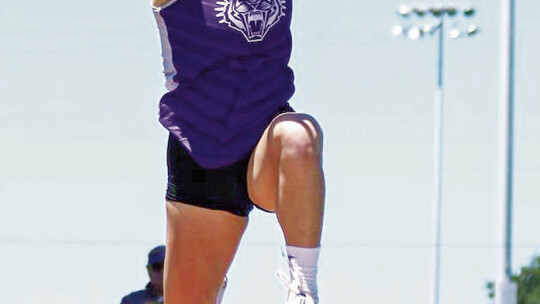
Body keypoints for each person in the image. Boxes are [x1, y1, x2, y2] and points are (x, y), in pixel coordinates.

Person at [151, 0, 325, 303]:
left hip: (264, 139)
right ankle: (212, 283)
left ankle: (303, 287)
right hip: (199, 150)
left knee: (300, 135)